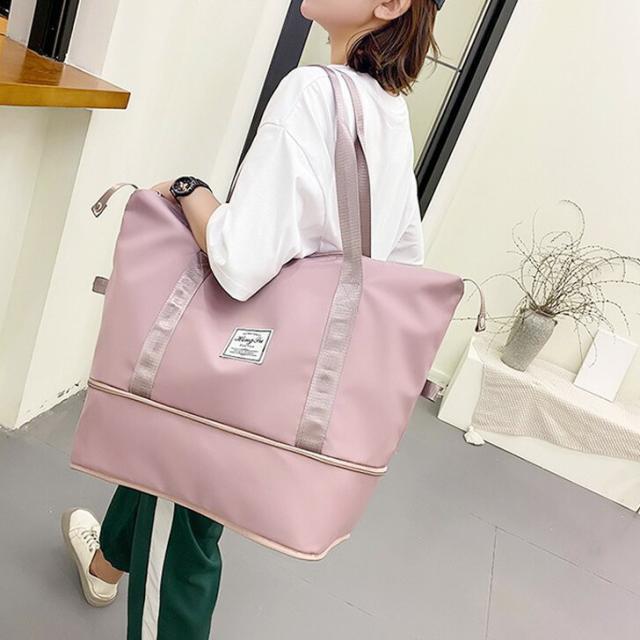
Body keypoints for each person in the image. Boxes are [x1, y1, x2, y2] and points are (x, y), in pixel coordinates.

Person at [61, 0, 444, 638]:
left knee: (183, 511)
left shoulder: (310, 91)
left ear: (389, 5)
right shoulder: (388, 110)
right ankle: (104, 565)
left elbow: (240, 263)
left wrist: (190, 191)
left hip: (237, 362)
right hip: (289, 373)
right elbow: (398, 263)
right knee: (169, 457)